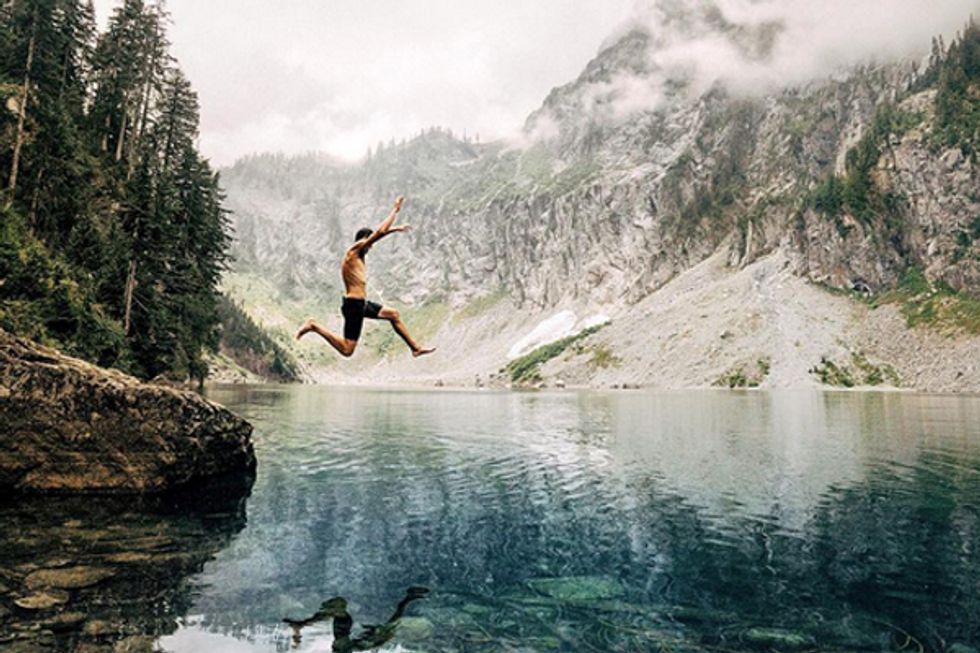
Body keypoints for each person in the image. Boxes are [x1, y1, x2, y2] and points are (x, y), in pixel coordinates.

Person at [295, 196, 436, 358]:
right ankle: (313, 326)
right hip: (353, 305)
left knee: (394, 315)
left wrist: (394, 230)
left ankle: (415, 349)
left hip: (361, 304)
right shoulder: (353, 251)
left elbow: (380, 234)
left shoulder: (359, 256)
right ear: (364, 240)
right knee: (347, 350)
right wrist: (395, 210)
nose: (371, 247)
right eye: (370, 243)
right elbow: (380, 232)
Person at [283, 587, 431, 651]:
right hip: (366, 634)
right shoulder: (352, 641)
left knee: (392, 623)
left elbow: (331, 613)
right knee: (392, 624)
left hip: (356, 630)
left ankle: (408, 598)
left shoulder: (343, 631)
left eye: (334, 648)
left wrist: (302, 624)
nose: (334, 646)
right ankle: (408, 597)